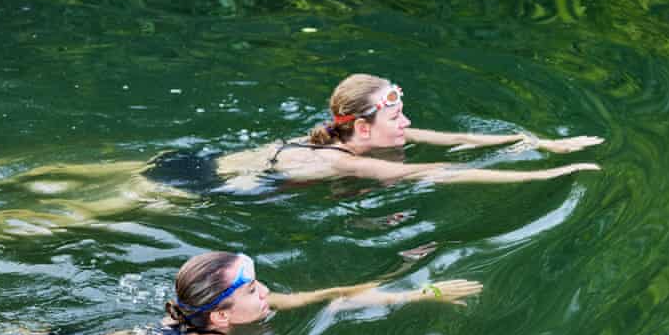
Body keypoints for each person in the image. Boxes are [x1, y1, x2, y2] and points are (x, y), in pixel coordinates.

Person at [93, 251, 518, 335]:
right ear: (221, 317)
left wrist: (420, 294)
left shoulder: (235, 309)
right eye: (254, 289)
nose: (266, 293)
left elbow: (325, 297)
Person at [195, 73, 602, 192]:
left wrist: (542, 143)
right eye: (397, 118)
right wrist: (542, 174)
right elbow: (441, 172)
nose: (406, 124)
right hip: (197, 186)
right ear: (361, 127)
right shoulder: (341, 161)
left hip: (211, 165)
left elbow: (464, 142)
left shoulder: (376, 135)